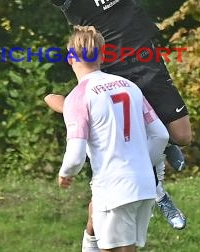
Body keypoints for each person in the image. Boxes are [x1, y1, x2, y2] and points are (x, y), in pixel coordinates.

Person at [18, 0, 190, 233]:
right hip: (115, 73)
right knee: (145, 138)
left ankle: (164, 152)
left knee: (181, 135)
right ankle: (158, 192)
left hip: (148, 62)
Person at [58, 25, 169, 252]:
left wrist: (65, 174)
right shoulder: (130, 87)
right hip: (144, 185)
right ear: (101, 56)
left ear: (71, 58)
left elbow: (75, 156)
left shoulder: (78, 96)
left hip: (114, 187)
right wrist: (138, 163)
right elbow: (160, 135)